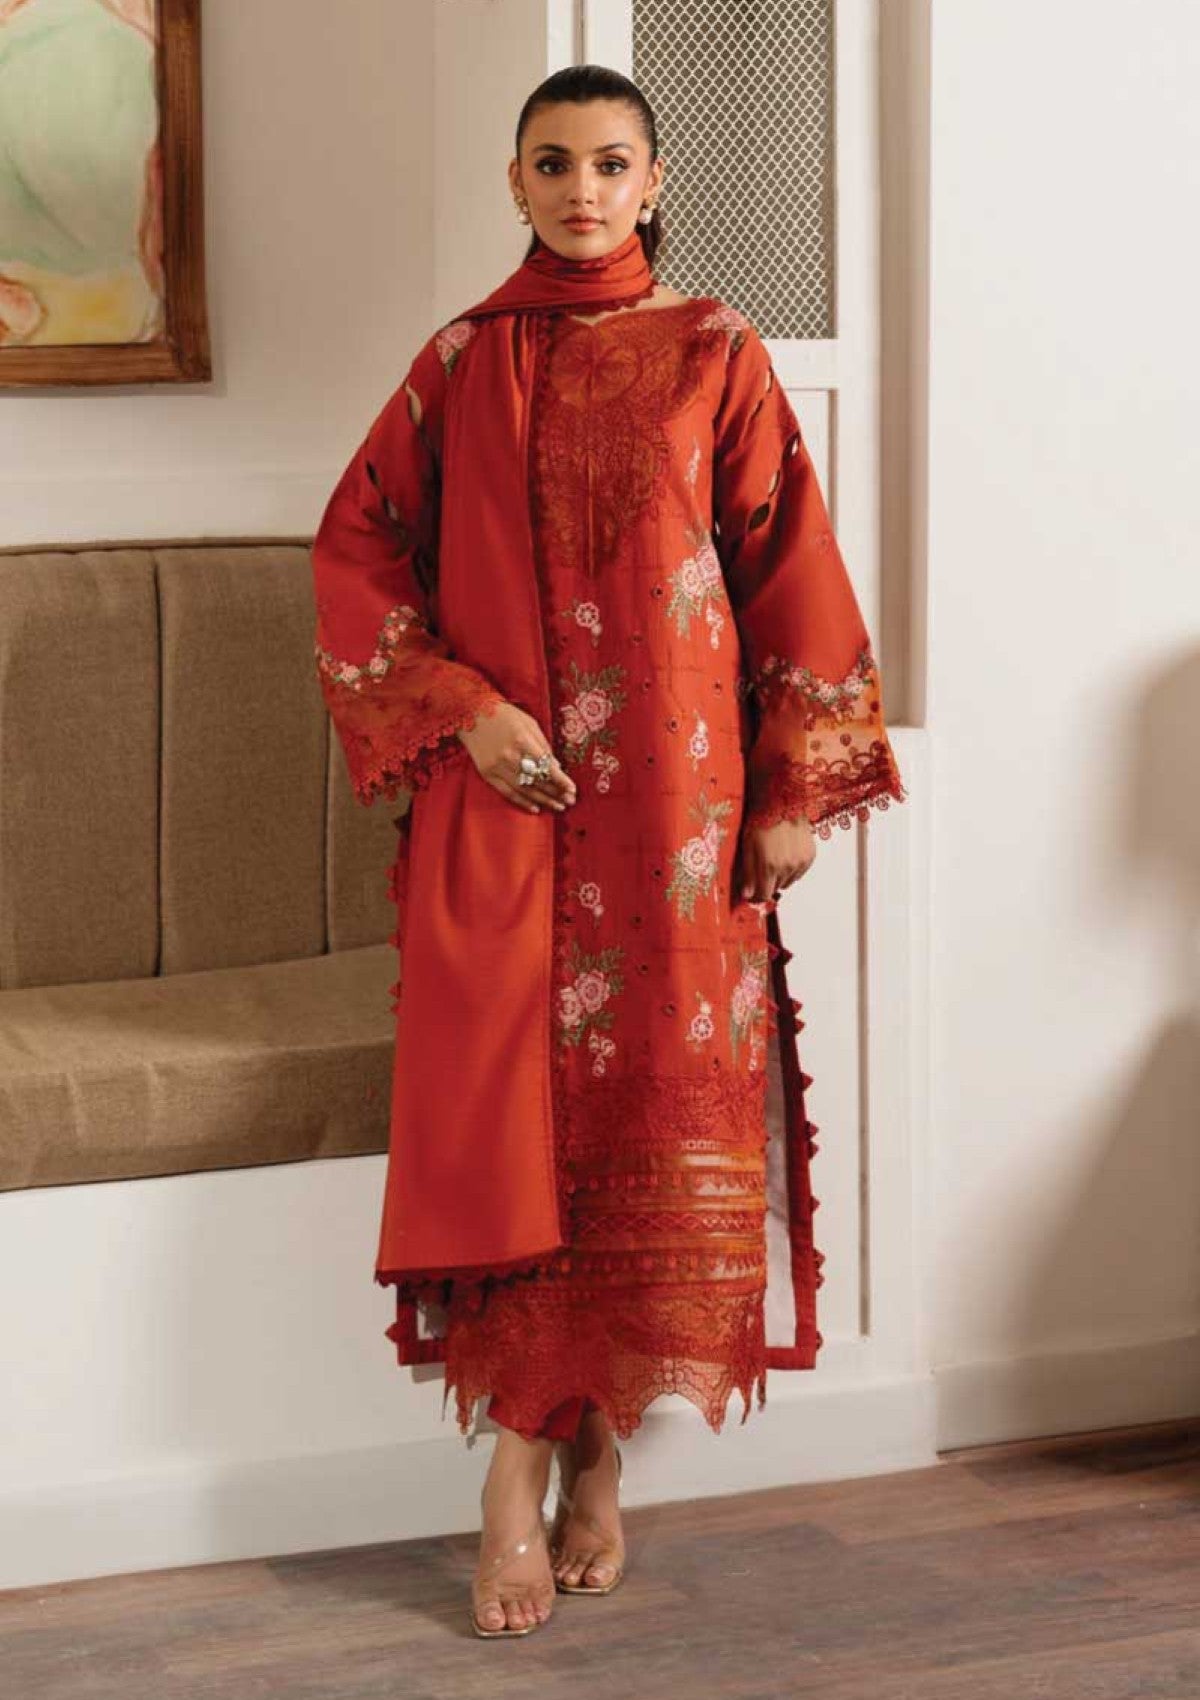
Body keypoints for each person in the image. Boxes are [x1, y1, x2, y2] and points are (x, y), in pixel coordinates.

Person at [311, 63, 907, 1639]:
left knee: (649, 1123)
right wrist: (464, 711)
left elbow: (789, 566)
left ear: (652, 183)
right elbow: (356, 549)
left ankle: (594, 1461)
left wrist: (794, 786)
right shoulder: (464, 362)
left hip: (680, 823)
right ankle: (515, 1481)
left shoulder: (717, 351)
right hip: (517, 816)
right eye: (554, 162)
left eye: (611, 163)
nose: (583, 189)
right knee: (525, 1130)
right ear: (515, 182)